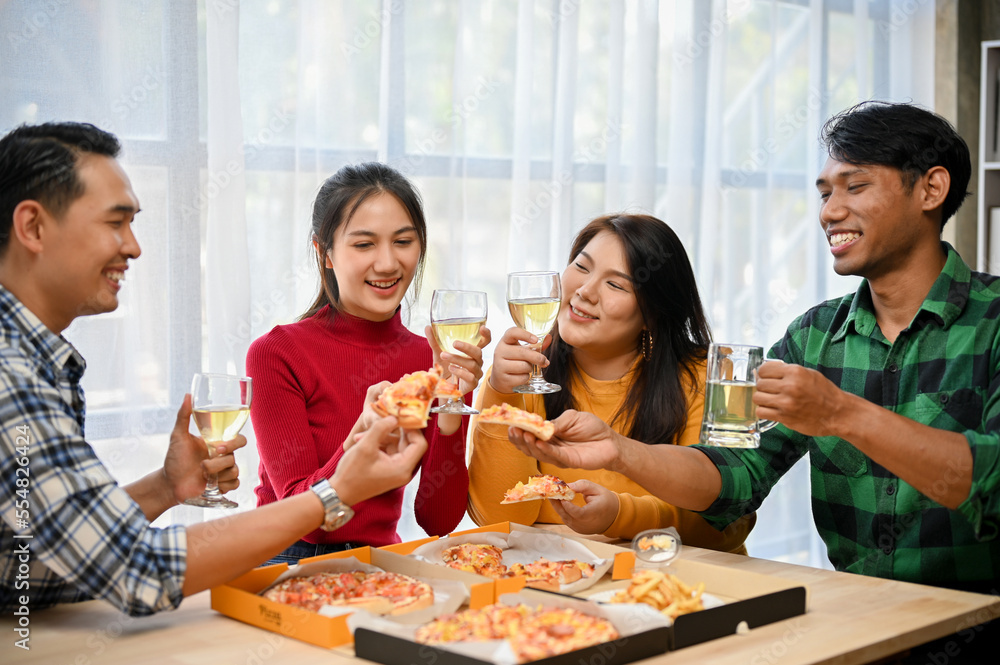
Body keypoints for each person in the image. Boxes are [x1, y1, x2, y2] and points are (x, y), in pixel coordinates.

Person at [505, 102, 1000, 654]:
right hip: (862, 625)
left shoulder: (994, 323)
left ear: (931, 189)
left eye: (854, 186)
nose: (829, 211)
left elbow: (992, 482)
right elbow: (733, 480)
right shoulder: (814, 337)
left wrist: (842, 414)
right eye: (824, 193)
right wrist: (620, 451)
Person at [0, 122, 428, 616]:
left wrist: (164, 487)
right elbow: (138, 571)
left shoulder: (35, 361)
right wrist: (337, 493)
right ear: (32, 227)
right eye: (115, 222)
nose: (134, 246)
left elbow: (37, 555)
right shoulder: (13, 374)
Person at [247, 162, 489, 564]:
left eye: (403, 242)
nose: (388, 264)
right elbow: (302, 517)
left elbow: (438, 519)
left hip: (378, 562)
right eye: (364, 245)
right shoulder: (277, 353)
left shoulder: (425, 360)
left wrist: (451, 406)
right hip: (285, 557)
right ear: (323, 252)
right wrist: (358, 438)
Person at [468, 214, 754, 552]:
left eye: (616, 284)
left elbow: (729, 522)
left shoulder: (714, 379)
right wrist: (501, 393)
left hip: (683, 582)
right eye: (582, 267)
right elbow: (500, 517)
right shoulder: (524, 374)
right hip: (563, 583)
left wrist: (619, 514)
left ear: (653, 314)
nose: (585, 291)